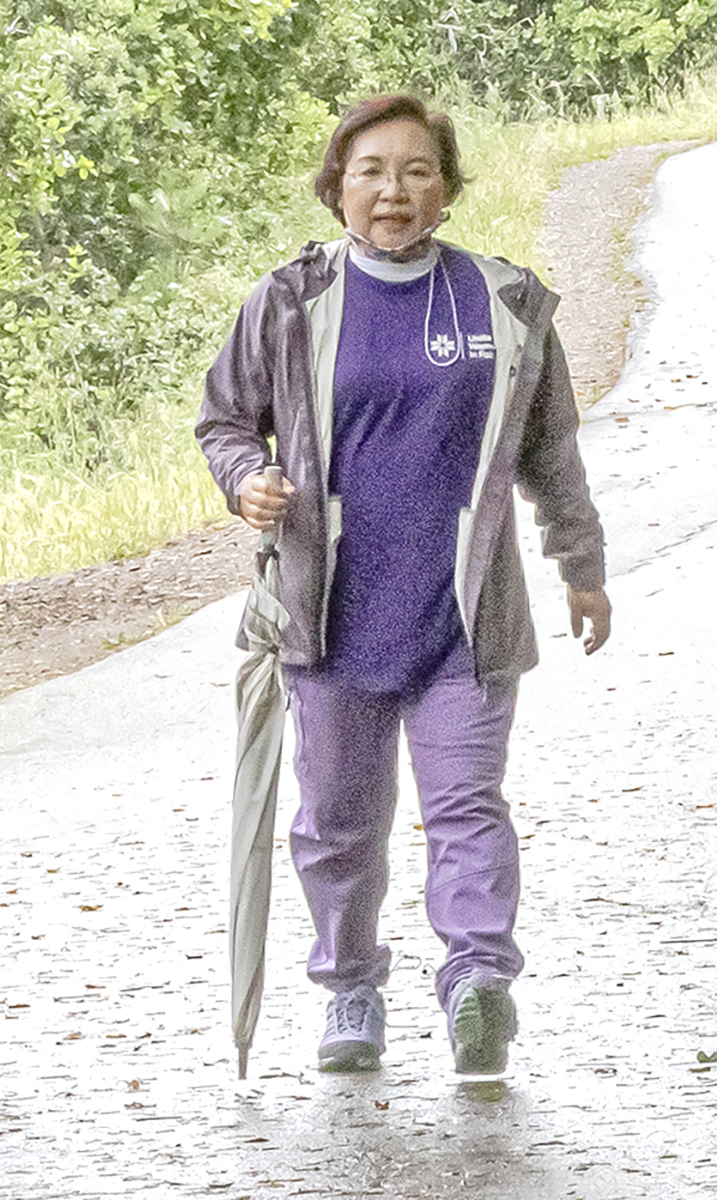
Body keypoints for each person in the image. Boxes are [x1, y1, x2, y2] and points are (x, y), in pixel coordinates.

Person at [197, 95, 610, 1076]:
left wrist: (582, 566)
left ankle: (477, 981)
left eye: (418, 170)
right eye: (371, 171)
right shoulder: (291, 300)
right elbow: (225, 419)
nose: (394, 190)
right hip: (331, 618)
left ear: (449, 188)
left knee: (467, 805)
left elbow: (552, 451)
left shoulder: (504, 304)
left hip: (466, 621)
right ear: (337, 187)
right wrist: (246, 480)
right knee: (337, 822)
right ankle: (351, 986)